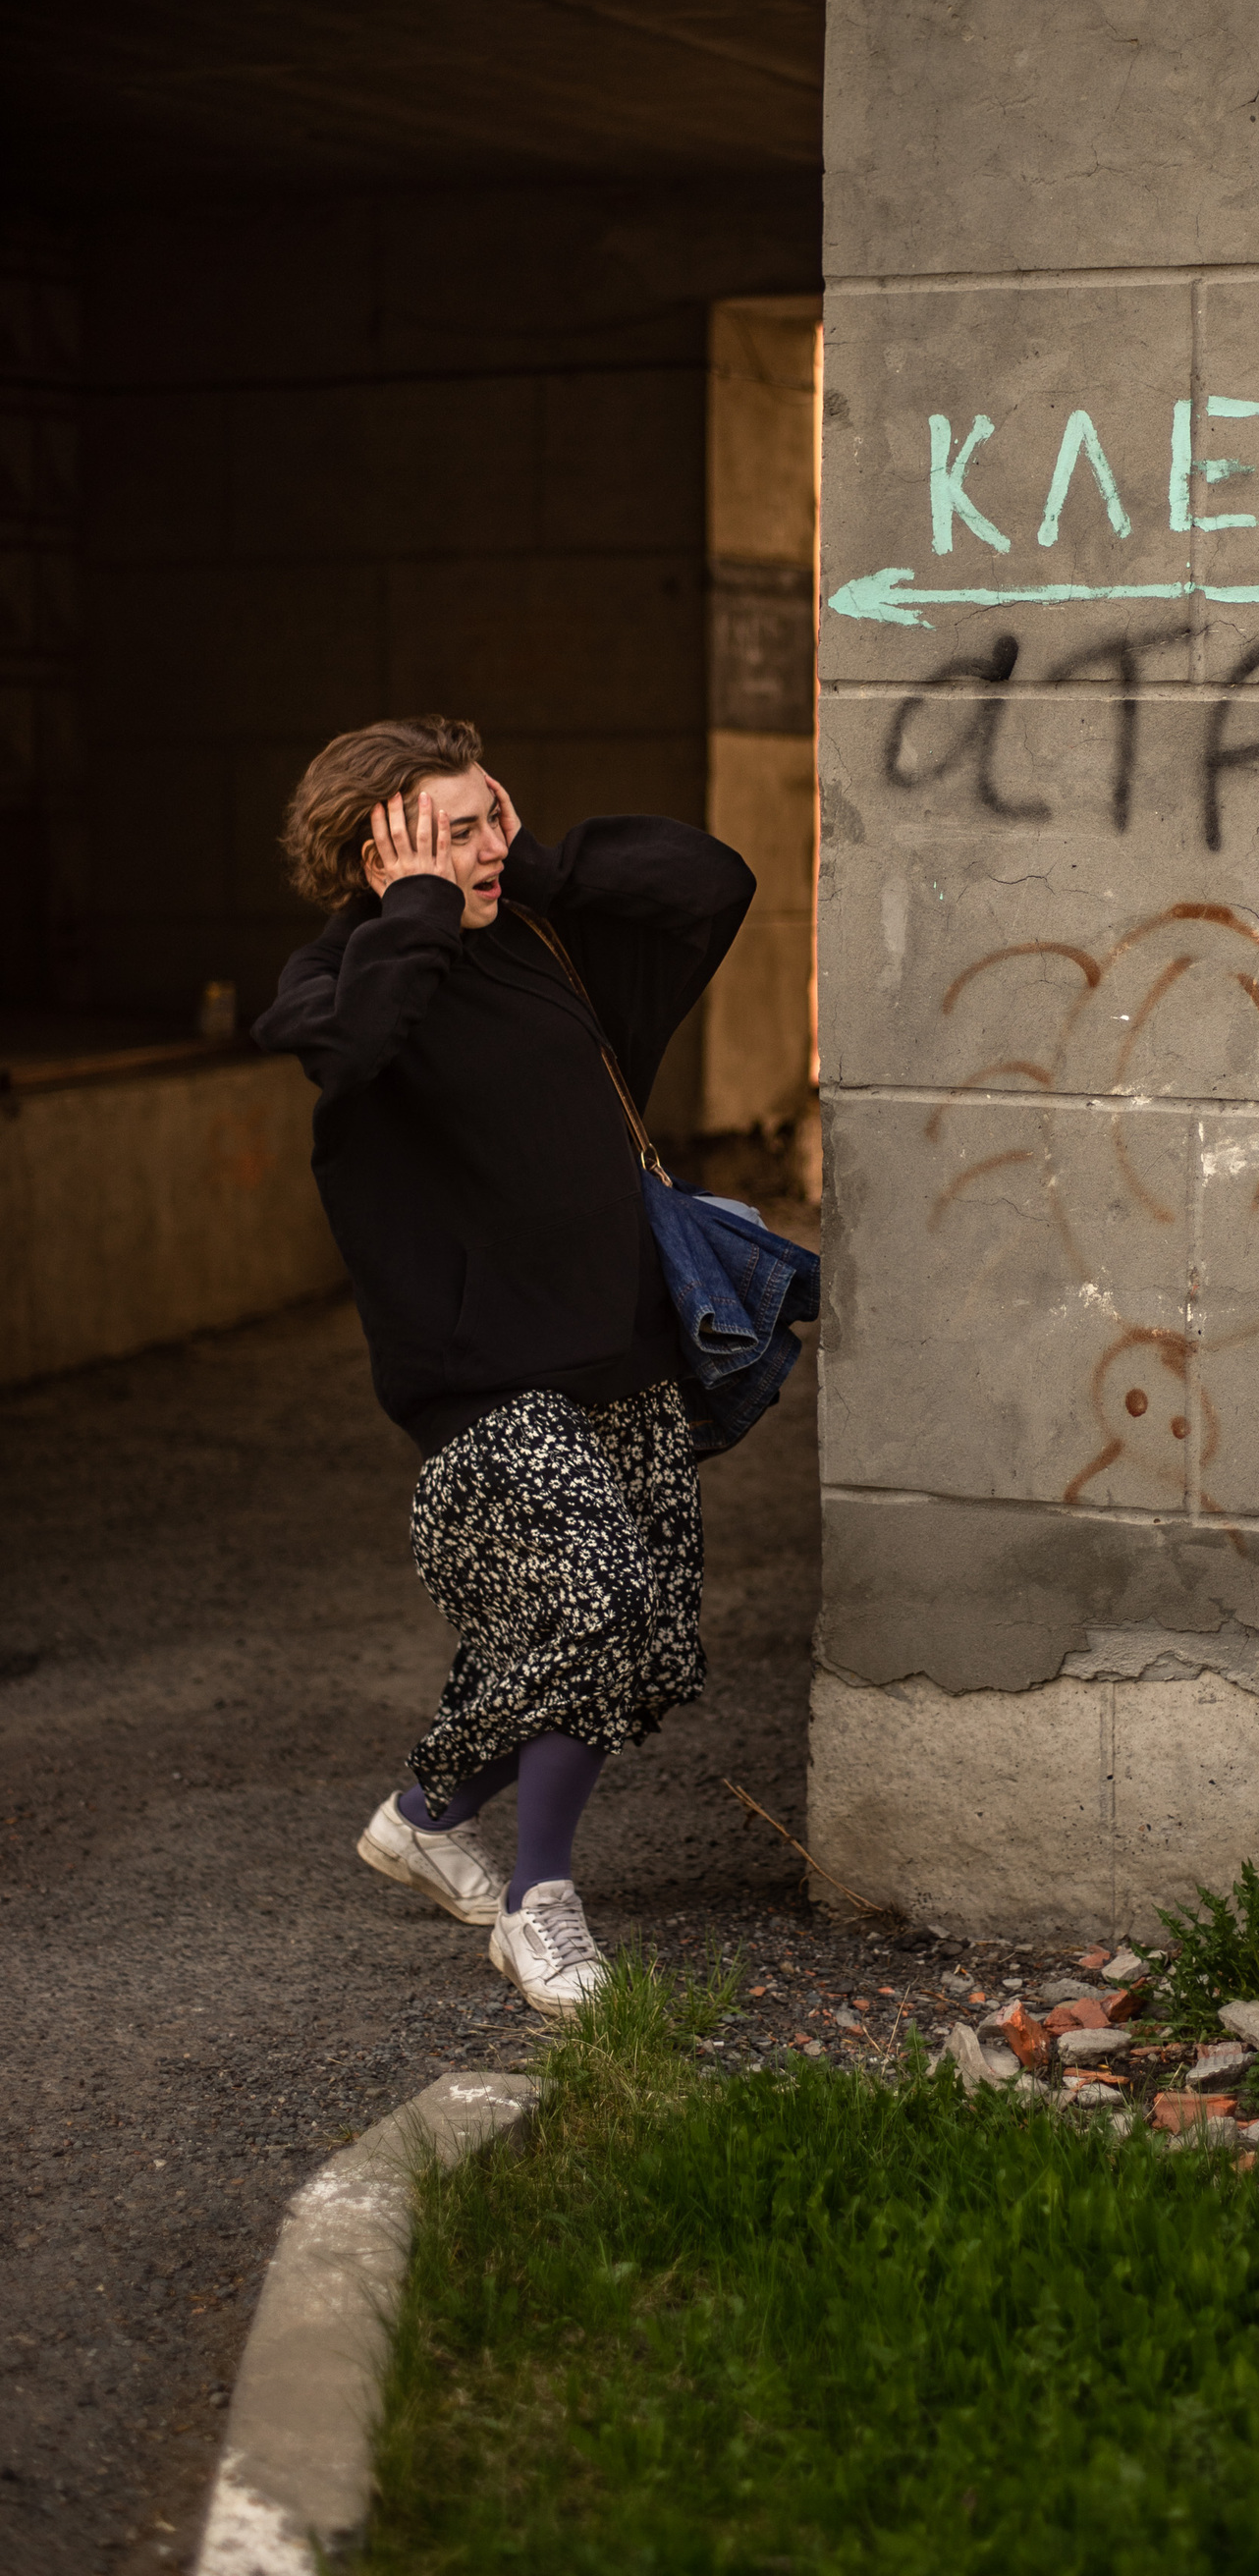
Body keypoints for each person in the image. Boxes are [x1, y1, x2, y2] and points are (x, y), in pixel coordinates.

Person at [255, 715, 755, 2017]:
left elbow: (713, 884)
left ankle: (425, 1815)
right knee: (586, 1600)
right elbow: (350, 1049)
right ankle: (542, 1902)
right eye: (453, 829)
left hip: (624, 1348)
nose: (487, 847)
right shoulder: (342, 977)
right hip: (478, 1373)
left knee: (643, 1642)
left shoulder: (547, 940)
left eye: (493, 819)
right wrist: (418, 905)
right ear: (372, 848)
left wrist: (531, 871)